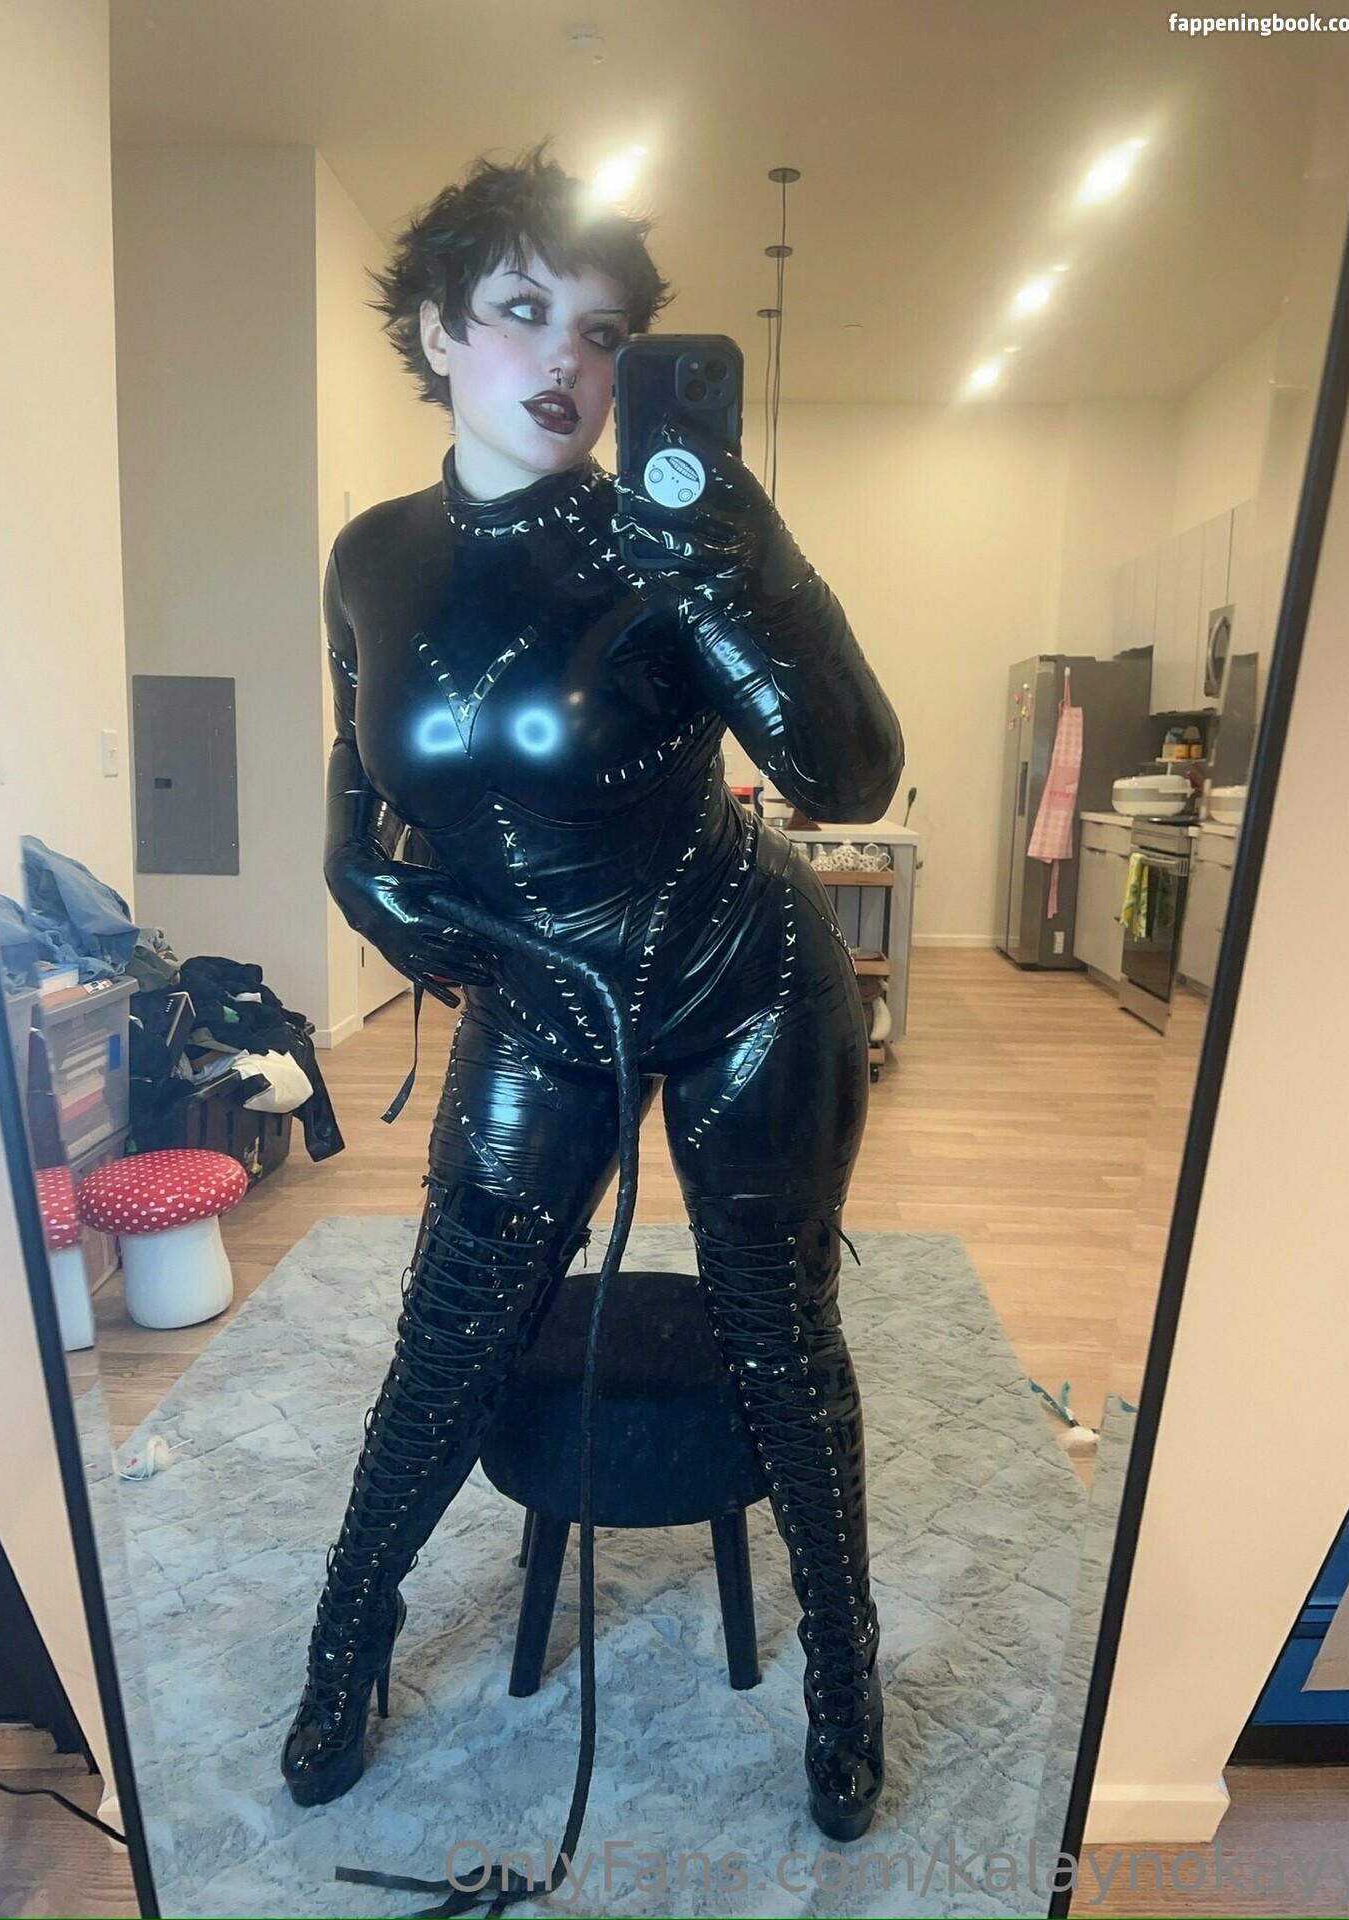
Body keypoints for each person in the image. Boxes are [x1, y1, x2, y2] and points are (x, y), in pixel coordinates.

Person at [281, 146, 904, 1844]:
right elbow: (357, 740)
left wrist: (746, 558)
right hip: (538, 994)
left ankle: (844, 1675)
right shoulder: (370, 552)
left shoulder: (667, 537)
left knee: (780, 1333)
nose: (568, 357)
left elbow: (847, 773)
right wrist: (349, 863)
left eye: (606, 330)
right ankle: (348, 1639)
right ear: (437, 331)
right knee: (450, 1333)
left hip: (742, 977)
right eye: (521, 310)